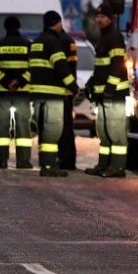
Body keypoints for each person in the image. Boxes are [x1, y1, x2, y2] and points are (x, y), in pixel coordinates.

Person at [29, 10, 79, 177]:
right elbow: (61, 67)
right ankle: (50, 166)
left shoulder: (36, 42)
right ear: (56, 23)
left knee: (43, 130)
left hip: (37, 94)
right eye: (60, 23)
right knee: (52, 130)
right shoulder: (54, 43)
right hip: (53, 95)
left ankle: (45, 164)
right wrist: (73, 86)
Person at [85, 3, 130, 177]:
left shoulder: (114, 37)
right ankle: (103, 165)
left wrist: (110, 88)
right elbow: (101, 68)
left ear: (110, 18)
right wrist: (92, 84)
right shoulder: (103, 37)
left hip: (115, 93)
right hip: (104, 94)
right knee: (103, 132)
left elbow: (118, 65)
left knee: (115, 131)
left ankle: (118, 167)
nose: (99, 19)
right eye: (97, 16)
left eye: (103, 16)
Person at [0, 16, 34, 169]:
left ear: (5, 27)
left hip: (2, 93)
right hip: (22, 93)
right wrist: (19, 82)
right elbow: (33, 68)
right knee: (23, 127)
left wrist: (6, 82)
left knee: (1, 127)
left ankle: (1, 160)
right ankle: (23, 161)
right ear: (19, 27)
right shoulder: (28, 45)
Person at [57, 26, 79, 170]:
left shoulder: (59, 42)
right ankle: (68, 160)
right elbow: (72, 67)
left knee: (61, 128)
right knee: (66, 127)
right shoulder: (68, 41)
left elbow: (65, 68)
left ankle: (64, 160)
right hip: (66, 92)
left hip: (60, 91)